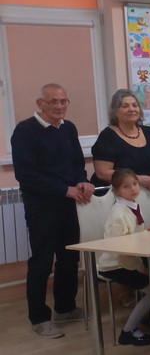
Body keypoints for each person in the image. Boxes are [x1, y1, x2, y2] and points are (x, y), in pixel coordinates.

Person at [11, 83, 94, 338]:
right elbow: (25, 175)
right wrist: (63, 189)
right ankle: (39, 318)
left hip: (70, 203)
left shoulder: (68, 128)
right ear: (40, 104)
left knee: (69, 258)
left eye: (63, 101)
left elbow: (77, 164)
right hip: (42, 207)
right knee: (42, 261)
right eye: (53, 102)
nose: (59, 106)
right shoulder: (25, 131)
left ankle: (65, 308)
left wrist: (82, 180)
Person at [98, 169, 150, 346]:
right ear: (116, 191)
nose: (133, 188)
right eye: (126, 186)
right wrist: (141, 268)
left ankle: (149, 316)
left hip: (128, 261)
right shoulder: (118, 213)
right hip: (115, 265)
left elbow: (134, 236)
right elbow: (121, 248)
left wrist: (148, 232)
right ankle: (128, 331)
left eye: (135, 184)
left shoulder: (131, 206)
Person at [91, 89, 150, 190]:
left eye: (135, 105)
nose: (132, 109)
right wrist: (136, 180)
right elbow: (102, 173)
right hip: (118, 194)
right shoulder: (107, 136)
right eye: (125, 106)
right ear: (115, 112)